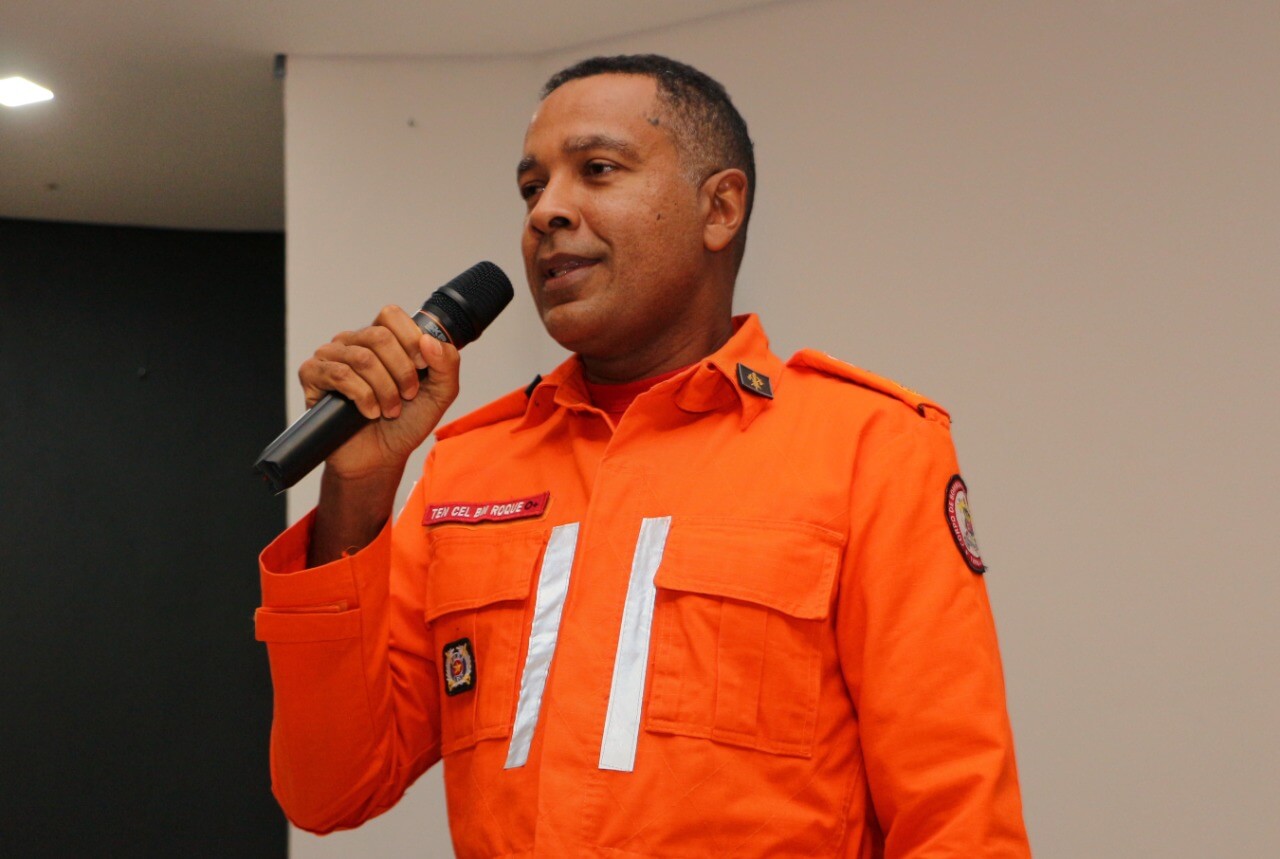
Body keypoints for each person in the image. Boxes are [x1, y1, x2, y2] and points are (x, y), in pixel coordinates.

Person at [255, 54, 1031, 857]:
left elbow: (958, 821)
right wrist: (359, 488)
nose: (547, 211)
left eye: (596, 169)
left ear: (719, 208)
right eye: (531, 187)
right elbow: (330, 787)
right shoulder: (470, 466)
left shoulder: (868, 446)